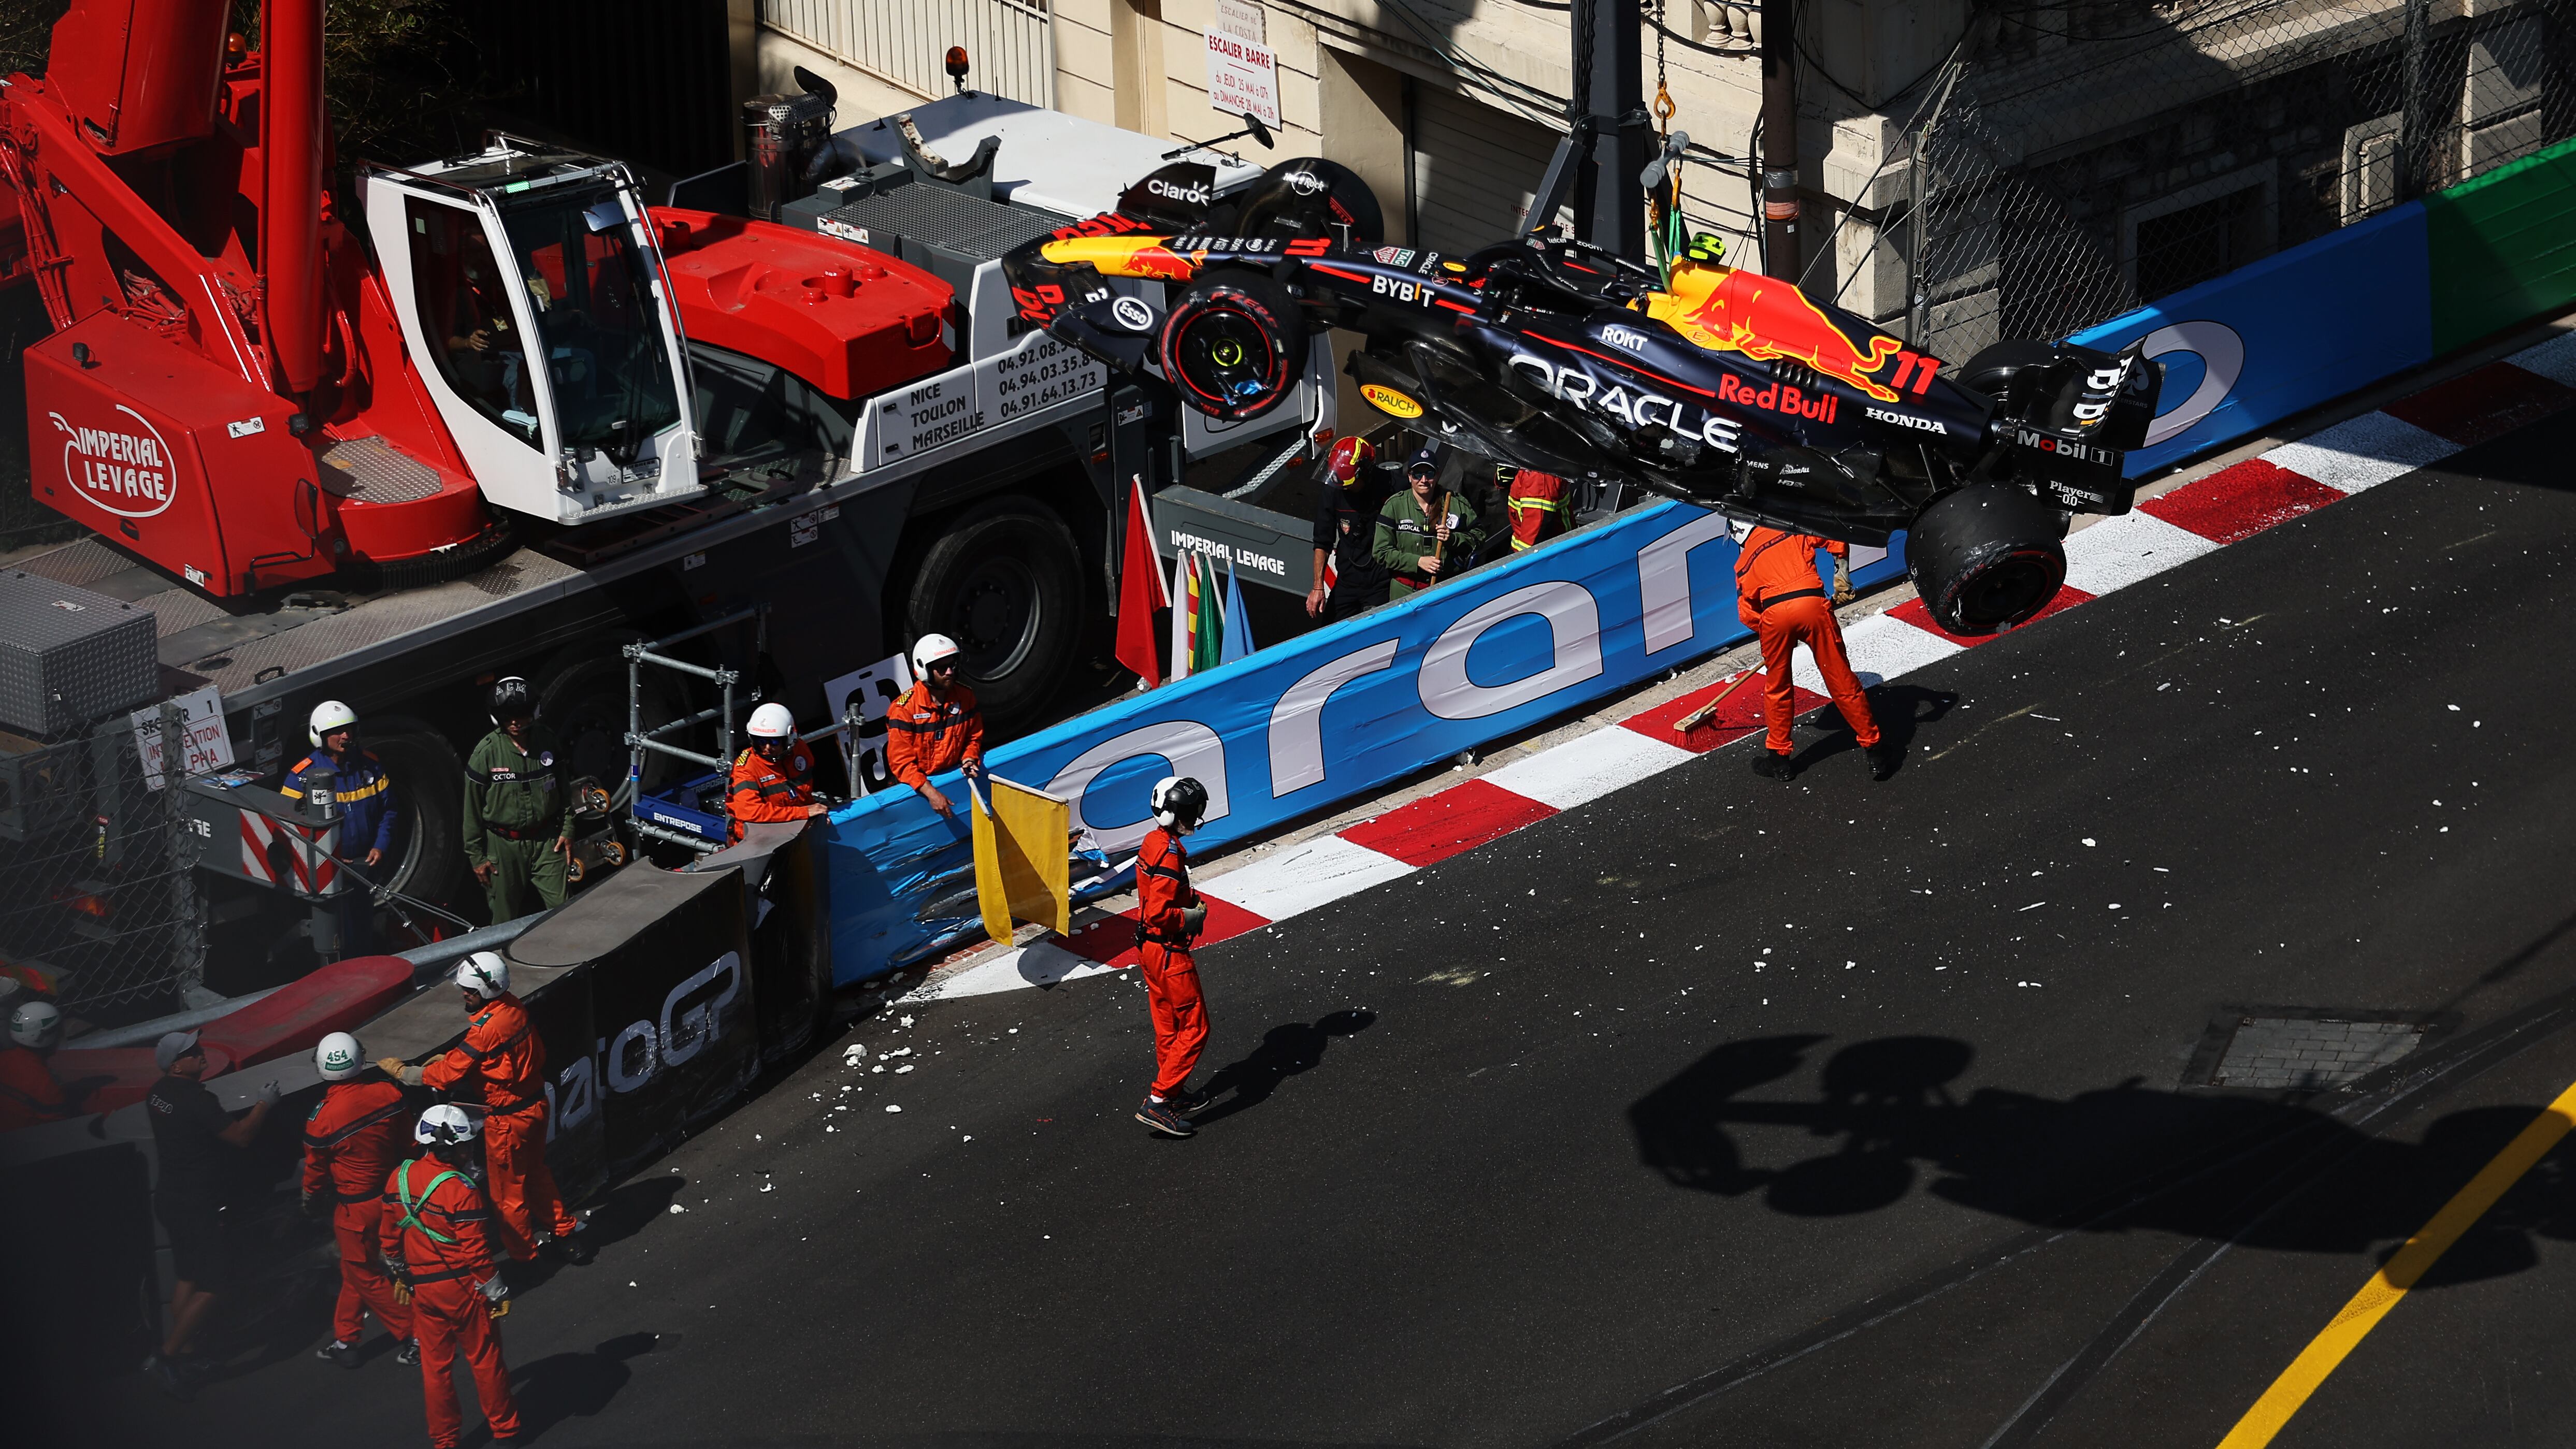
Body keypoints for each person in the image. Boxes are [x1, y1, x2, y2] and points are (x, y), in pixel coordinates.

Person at [379, 953, 592, 1265]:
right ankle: (566, 1235)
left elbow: (450, 1074)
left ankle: (525, 1259)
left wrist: (406, 1074)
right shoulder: (512, 1007)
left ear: (487, 990)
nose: (464, 994)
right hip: (535, 1106)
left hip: (508, 1121)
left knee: (508, 1197)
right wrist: (453, 1058)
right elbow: (491, 1056)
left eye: (470, 990)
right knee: (536, 1175)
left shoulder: (486, 1028)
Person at [142, 1029, 280, 1394]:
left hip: (170, 1199)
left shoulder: (156, 1095)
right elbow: (241, 1137)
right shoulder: (196, 1100)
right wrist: (264, 1104)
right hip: (198, 1205)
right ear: (176, 1066)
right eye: (193, 1052)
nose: (201, 1054)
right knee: (214, 1285)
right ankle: (167, 1357)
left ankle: (186, 1356)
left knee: (188, 1278)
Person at [382, 1105, 523, 1448]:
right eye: (464, 1145)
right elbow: (476, 1253)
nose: (469, 1149)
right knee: (485, 1359)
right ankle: (505, 1432)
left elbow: (389, 1240)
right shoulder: (463, 1190)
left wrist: (401, 1274)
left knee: (435, 1368)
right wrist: (497, 1291)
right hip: (463, 1290)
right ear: (448, 1146)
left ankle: (445, 1442)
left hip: (422, 1291)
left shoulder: (398, 1177)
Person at [1734, 525, 1896, 782]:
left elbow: (1747, 614)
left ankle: (1779, 760)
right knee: (1840, 678)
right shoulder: (1787, 526)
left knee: (1778, 687)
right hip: (1811, 603)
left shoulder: (1743, 562)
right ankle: (1875, 750)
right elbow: (1836, 537)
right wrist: (1842, 576)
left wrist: (1774, 632)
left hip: (1773, 616)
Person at [301, 1032, 416, 1370]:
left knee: (363, 1271)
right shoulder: (388, 1093)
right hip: (395, 1195)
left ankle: (417, 1333)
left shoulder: (322, 1118)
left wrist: (309, 1201)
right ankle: (346, 1339)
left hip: (355, 1209)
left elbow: (315, 1173)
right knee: (353, 1268)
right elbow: (409, 1145)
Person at [1132, 776, 1218, 1138]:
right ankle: (1159, 1100)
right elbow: (1158, 913)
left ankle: (1173, 1091)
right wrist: (1191, 916)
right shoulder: (1169, 851)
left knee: (1168, 1027)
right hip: (1169, 952)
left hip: (1149, 951)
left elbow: (1156, 893)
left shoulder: (1154, 841)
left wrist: (1188, 897)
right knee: (1195, 1028)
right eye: (1190, 812)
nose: (1194, 819)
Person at [283, 700, 398, 956]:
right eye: (337, 732)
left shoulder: (371, 766)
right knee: (332, 938)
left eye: (349, 729)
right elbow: (290, 831)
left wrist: (380, 846)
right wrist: (330, 862)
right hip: (326, 875)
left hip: (363, 868)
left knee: (363, 931)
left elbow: (388, 811)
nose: (345, 736)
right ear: (320, 736)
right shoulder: (300, 778)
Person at [462, 676, 573, 923]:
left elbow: (565, 791)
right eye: (508, 715)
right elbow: (471, 811)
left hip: (547, 842)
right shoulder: (486, 753)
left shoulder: (548, 741)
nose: (514, 721)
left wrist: (568, 829)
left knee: (565, 911)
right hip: (503, 847)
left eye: (521, 714)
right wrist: (477, 858)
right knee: (504, 920)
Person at [886, 633, 987, 816]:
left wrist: (969, 758)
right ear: (925, 670)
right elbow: (901, 763)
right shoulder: (904, 710)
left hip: (952, 780)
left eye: (952, 665)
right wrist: (931, 793)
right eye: (942, 668)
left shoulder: (966, 697)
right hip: (917, 791)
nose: (949, 672)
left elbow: (974, 736)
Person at [1373, 444, 1486, 601]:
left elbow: (1479, 537)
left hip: (1446, 592)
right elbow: (1381, 553)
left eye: (1429, 474)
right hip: (1405, 595)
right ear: (1409, 476)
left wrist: (1453, 539)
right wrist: (1417, 562)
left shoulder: (1454, 502)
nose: (1424, 480)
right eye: (1418, 475)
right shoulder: (1394, 506)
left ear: (1438, 475)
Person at [1305, 436, 1393, 622]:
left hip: (1381, 583)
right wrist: (1318, 587)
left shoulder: (1391, 486)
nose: (1343, 489)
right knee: (1330, 634)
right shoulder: (1334, 488)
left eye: (1349, 484)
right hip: (1347, 581)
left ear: (1365, 473)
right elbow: (1323, 540)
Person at [727, 701, 827, 843]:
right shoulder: (746, 768)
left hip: (795, 830)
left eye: (774, 742)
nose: (767, 748)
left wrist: (814, 816)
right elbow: (750, 812)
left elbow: (804, 794)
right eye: (760, 741)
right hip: (756, 841)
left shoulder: (801, 751)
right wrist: (803, 813)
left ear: (788, 739)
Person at [0, 999, 77, 1133]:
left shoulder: (5, 1059)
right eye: (57, 1032)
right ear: (41, 1036)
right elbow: (61, 1133)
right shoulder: (46, 1087)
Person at [1504, 466, 1571, 552]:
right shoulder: (1528, 468)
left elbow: (1533, 538)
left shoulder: (1539, 479)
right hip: (1520, 543)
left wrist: (1516, 560)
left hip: (1543, 554)